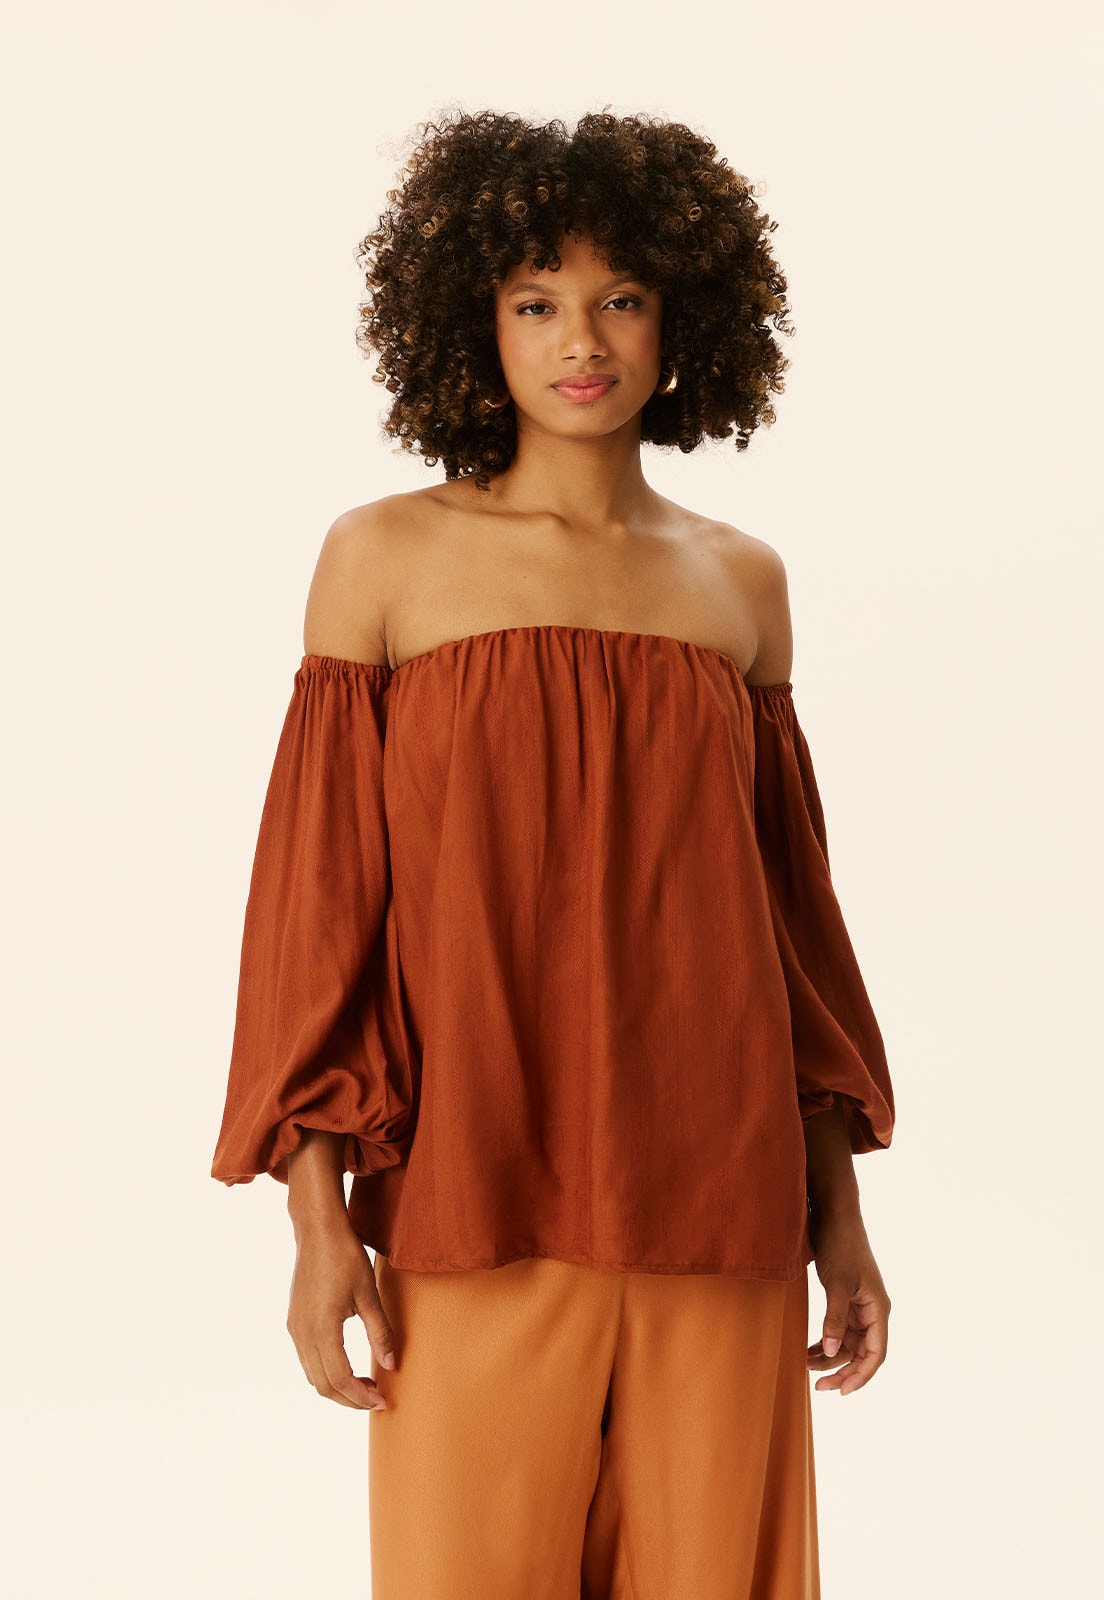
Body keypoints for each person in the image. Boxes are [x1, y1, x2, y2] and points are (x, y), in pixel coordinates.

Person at [211, 108, 895, 1599]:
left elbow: (791, 936)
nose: (581, 339)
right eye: (535, 303)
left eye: (621, 297)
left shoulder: (741, 582)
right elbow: (319, 911)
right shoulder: (384, 557)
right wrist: (317, 1224)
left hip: (722, 1203)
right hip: (473, 1199)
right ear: (476, 325)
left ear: (682, 321)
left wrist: (839, 1221)